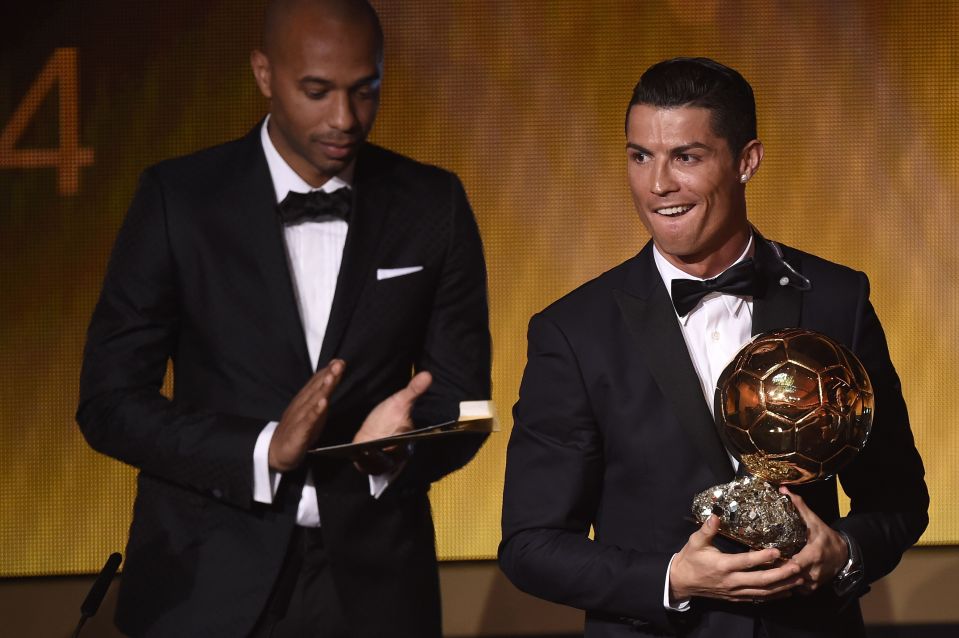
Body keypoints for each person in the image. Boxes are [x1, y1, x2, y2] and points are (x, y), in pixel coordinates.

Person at [76, 0, 490, 636]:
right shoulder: (177, 200)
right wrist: (264, 448)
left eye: (365, 91)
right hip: (202, 583)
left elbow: (463, 404)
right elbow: (109, 404)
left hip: (379, 591)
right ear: (264, 73)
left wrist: (393, 454)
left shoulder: (435, 204)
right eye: (317, 91)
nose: (345, 119)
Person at [499, 57, 928, 638]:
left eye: (686, 157)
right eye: (640, 156)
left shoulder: (836, 298)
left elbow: (899, 499)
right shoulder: (574, 331)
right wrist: (673, 578)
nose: (658, 185)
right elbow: (530, 544)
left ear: (746, 161)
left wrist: (844, 552)